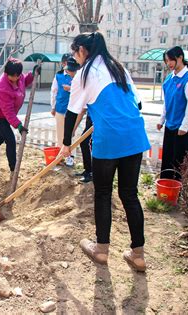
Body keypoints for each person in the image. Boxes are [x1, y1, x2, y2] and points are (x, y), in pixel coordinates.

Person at [60, 32, 150, 272]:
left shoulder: (84, 73)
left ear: (82, 50)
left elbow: (71, 113)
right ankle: (138, 255)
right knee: (129, 194)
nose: (74, 58)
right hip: (135, 136)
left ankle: (101, 251)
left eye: (74, 53)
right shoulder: (119, 68)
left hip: (109, 140)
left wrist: (65, 143)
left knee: (102, 194)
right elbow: (137, 104)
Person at [0, 58, 38, 176]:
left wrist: (33, 74)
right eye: (11, 76)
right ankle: (13, 171)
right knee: (10, 141)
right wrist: (19, 125)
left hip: (6, 114)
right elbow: (8, 112)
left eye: (16, 76)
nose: (14, 78)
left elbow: (25, 80)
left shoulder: (19, 77)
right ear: (6, 73)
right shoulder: (3, 87)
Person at [157, 46, 188, 180]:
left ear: (180, 58)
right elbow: (167, 102)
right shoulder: (169, 79)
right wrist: (161, 120)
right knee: (167, 158)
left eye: (171, 60)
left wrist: (184, 126)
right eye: (166, 61)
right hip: (170, 125)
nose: (168, 63)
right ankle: (165, 187)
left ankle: (177, 189)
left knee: (179, 161)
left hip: (183, 128)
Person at [50, 55, 80, 167]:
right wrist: (53, 107)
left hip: (74, 110)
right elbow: (54, 92)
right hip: (60, 108)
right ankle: (61, 156)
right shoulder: (58, 76)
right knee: (60, 133)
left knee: (71, 134)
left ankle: (70, 157)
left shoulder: (78, 76)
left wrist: (70, 89)